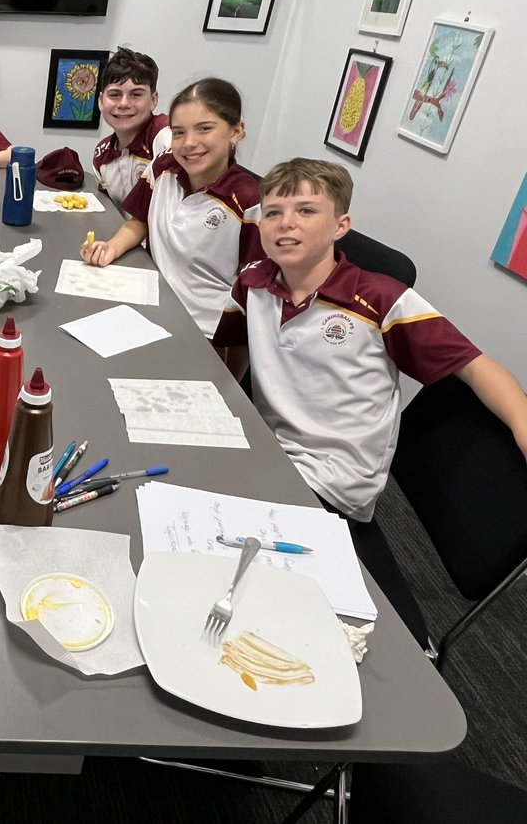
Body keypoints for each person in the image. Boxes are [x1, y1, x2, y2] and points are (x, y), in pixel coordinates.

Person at [212, 157, 527, 644]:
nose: (285, 223)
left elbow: (478, 368)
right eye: (272, 212)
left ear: (341, 226)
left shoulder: (380, 300)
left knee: (240, 594)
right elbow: (228, 351)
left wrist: (523, 425)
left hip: (334, 480)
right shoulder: (254, 279)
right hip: (269, 452)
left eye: (306, 211)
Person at [81, 77, 263, 339]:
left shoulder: (248, 201)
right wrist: (111, 247)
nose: (189, 143)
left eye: (204, 129)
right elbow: (139, 220)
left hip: (204, 332)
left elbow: (255, 296)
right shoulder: (163, 166)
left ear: (236, 131)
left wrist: (230, 373)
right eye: (178, 132)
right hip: (149, 305)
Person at [91, 46, 171, 207]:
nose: (124, 104)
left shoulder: (164, 136)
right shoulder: (102, 154)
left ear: (153, 100)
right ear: (100, 101)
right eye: (115, 94)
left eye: (136, 94)